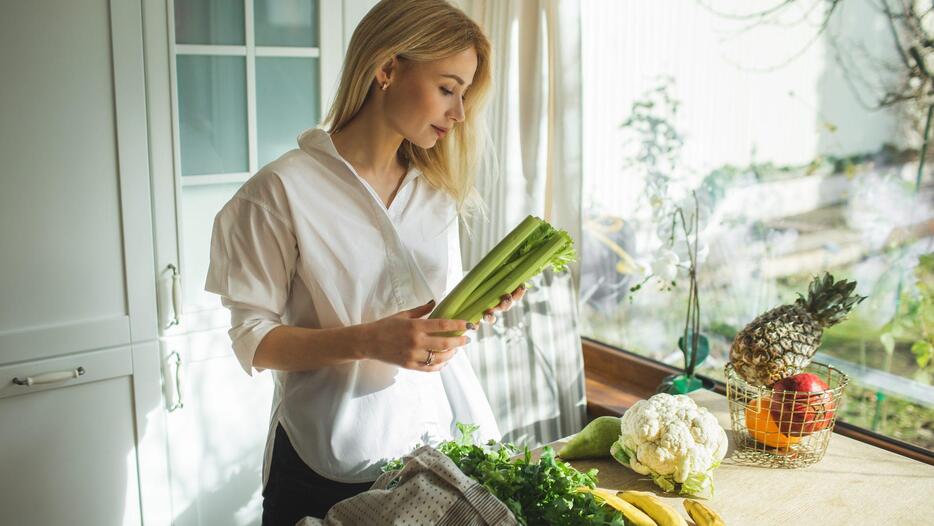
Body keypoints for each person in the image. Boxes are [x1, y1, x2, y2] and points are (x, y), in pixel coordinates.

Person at [204, 1, 525, 524]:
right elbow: (253, 341)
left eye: (464, 94)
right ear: (387, 68)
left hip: (434, 460)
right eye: (447, 88)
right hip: (325, 470)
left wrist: (473, 309)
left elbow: (429, 321)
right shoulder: (279, 192)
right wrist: (368, 341)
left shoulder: (436, 193)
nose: (459, 113)